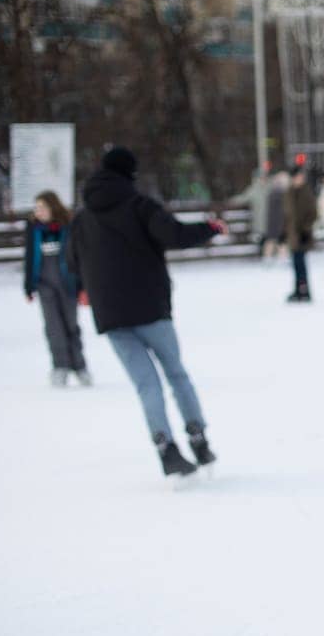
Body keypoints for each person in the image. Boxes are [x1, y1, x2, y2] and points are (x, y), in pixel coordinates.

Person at [65, 147, 226, 477]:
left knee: (146, 385)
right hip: (150, 307)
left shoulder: (82, 218)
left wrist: (86, 287)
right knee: (176, 374)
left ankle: (166, 449)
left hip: (110, 315)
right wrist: (210, 228)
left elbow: (71, 261)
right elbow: (175, 235)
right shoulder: (139, 205)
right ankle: (198, 439)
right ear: (130, 174)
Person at [23, 190, 89, 386]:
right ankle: (60, 366)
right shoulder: (34, 230)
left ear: (53, 207)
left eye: (42, 207)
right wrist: (28, 286)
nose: (38, 211)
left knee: (71, 326)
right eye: (36, 208)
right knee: (53, 328)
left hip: (68, 285)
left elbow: (80, 258)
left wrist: (83, 287)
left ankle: (79, 366)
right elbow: (29, 258)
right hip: (45, 286)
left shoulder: (68, 228)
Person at [282, 166, 316, 303]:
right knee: (295, 264)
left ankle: (304, 290)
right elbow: (287, 215)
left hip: (303, 233)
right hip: (292, 234)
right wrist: (284, 233)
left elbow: (312, 213)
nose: (299, 179)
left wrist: (306, 229)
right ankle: (298, 289)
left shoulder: (306, 192)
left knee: (300, 263)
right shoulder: (289, 192)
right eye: (297, 176)